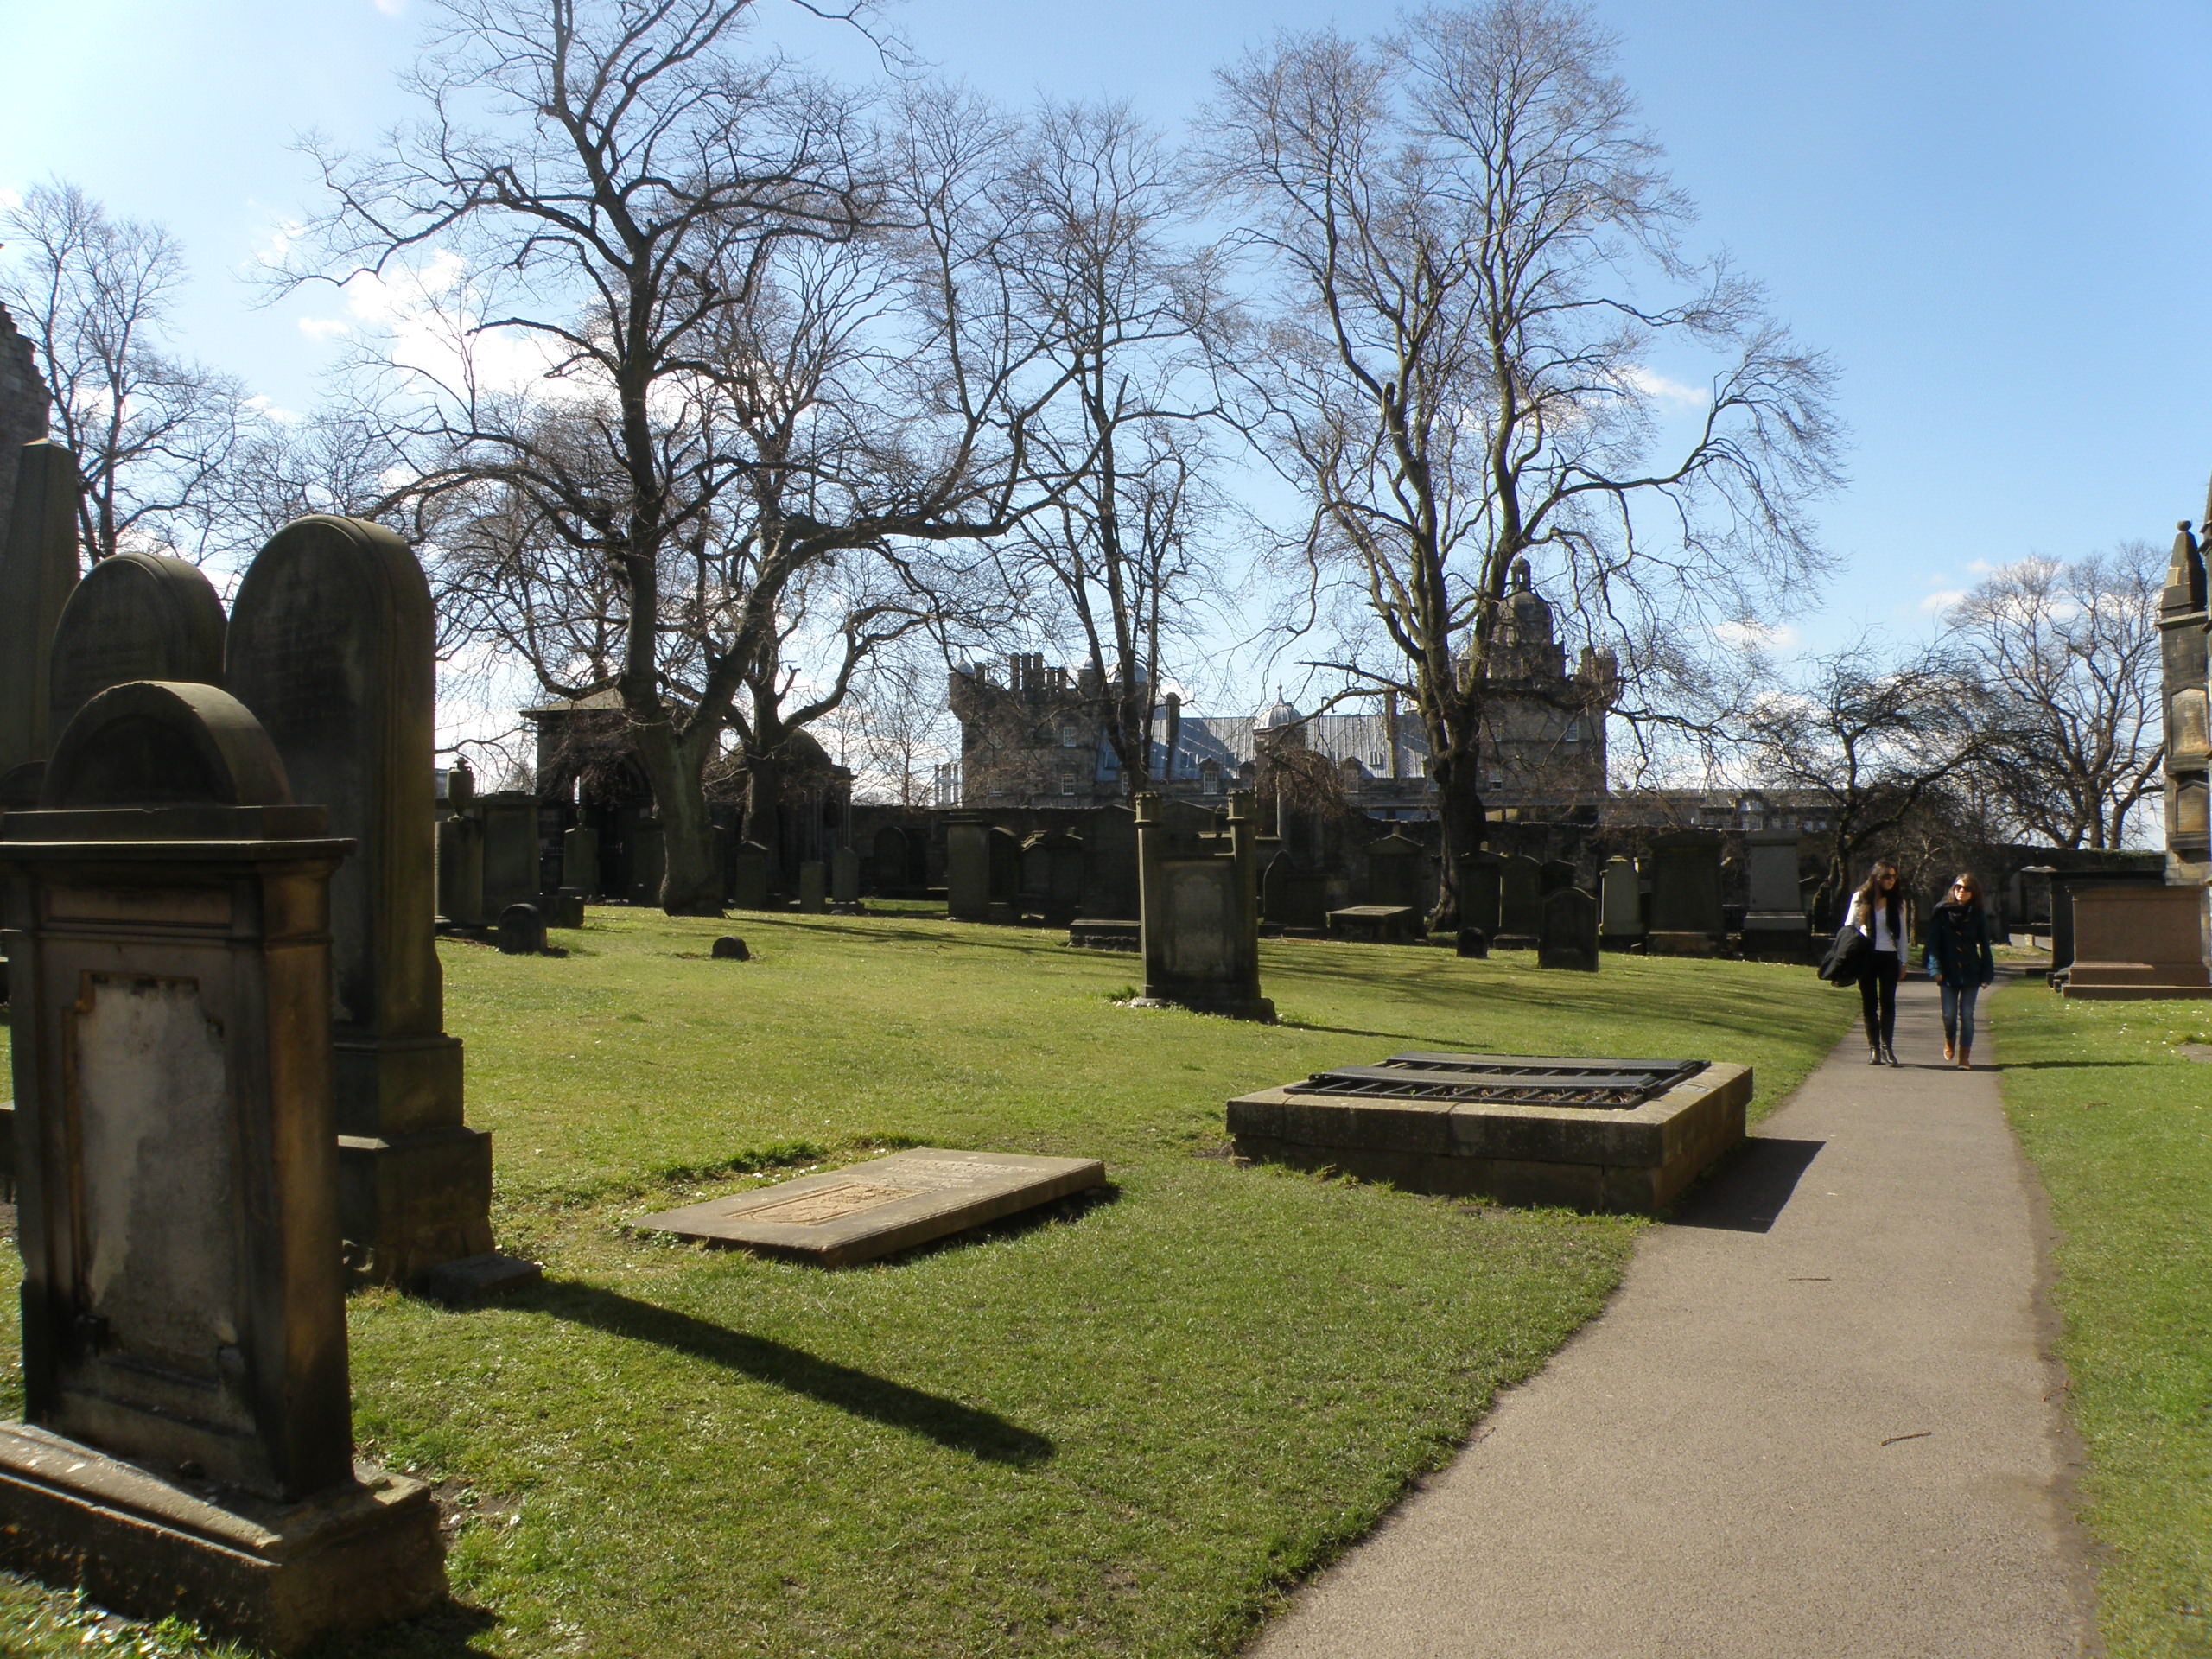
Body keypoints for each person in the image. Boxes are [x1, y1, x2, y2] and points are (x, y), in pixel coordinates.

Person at [1924, 870, 1996, 1068]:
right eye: (1958, 887)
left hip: (1970, 971)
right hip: (1947, 972)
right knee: (1948, 1015)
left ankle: (1964, 1056)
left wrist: (1987, 974)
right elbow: (1933, 943)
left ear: (1974, 893)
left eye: (1966, 889)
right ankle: (1949, 1040)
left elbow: (1984, 945)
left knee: (1966, 1014)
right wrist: (1935, 967)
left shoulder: (1977, 915)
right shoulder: (1941, 912)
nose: (1962, 892)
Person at [1846, 861, 1905, 1065]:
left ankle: (1888, 1047)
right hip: (1867, 954)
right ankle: (1874, 1049)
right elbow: (1849, 927)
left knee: (1888, 1002)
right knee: (1869, 1002)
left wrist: (1903, 961)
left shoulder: (1897, 902)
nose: (1892, 880)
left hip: (1889, 955)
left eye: (1894, 877)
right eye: (1887, 876)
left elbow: (1902, 935)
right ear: (1877, 878)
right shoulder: (1861, 898)